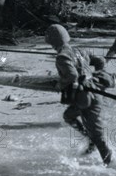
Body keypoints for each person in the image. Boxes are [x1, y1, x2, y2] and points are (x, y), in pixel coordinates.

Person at [45, 24, 112, 165]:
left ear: (52, 42)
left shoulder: (61, 57)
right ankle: (90, 139)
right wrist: (96, 75)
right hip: (92, 92)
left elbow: (72, 75)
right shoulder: (80, 50)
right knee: (69, 116)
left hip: (86, 97)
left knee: (97, 134)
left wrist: (58, 85)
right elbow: (100, 60)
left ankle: (109, 163)